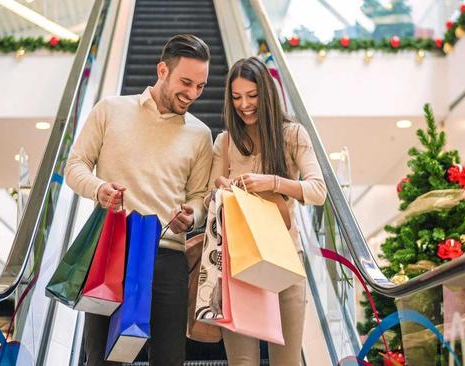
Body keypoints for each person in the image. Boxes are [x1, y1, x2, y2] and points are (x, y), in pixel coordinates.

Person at [65, 34, 213, 366]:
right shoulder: (110, 110)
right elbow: (74, 165)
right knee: (103, 359)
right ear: (163, 70)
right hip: (112, 252)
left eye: (201, 86)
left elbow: (200, 197)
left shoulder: (200, 134)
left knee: (169, 359)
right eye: (185, 82)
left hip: (169, 258)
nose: (192, 94)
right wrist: (99, 189)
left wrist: (193, 215)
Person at [208, 56, 327, 365]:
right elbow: (211, 194)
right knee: (241, 362)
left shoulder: (292, 135)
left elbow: (318, 191)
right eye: (236, 97)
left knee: (286, 360)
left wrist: (271, 182)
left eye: (252, 95)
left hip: (285, 257)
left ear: (267, 94)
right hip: (238, 262)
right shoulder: (226, 141)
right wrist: (221, 186)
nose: (244, 104)